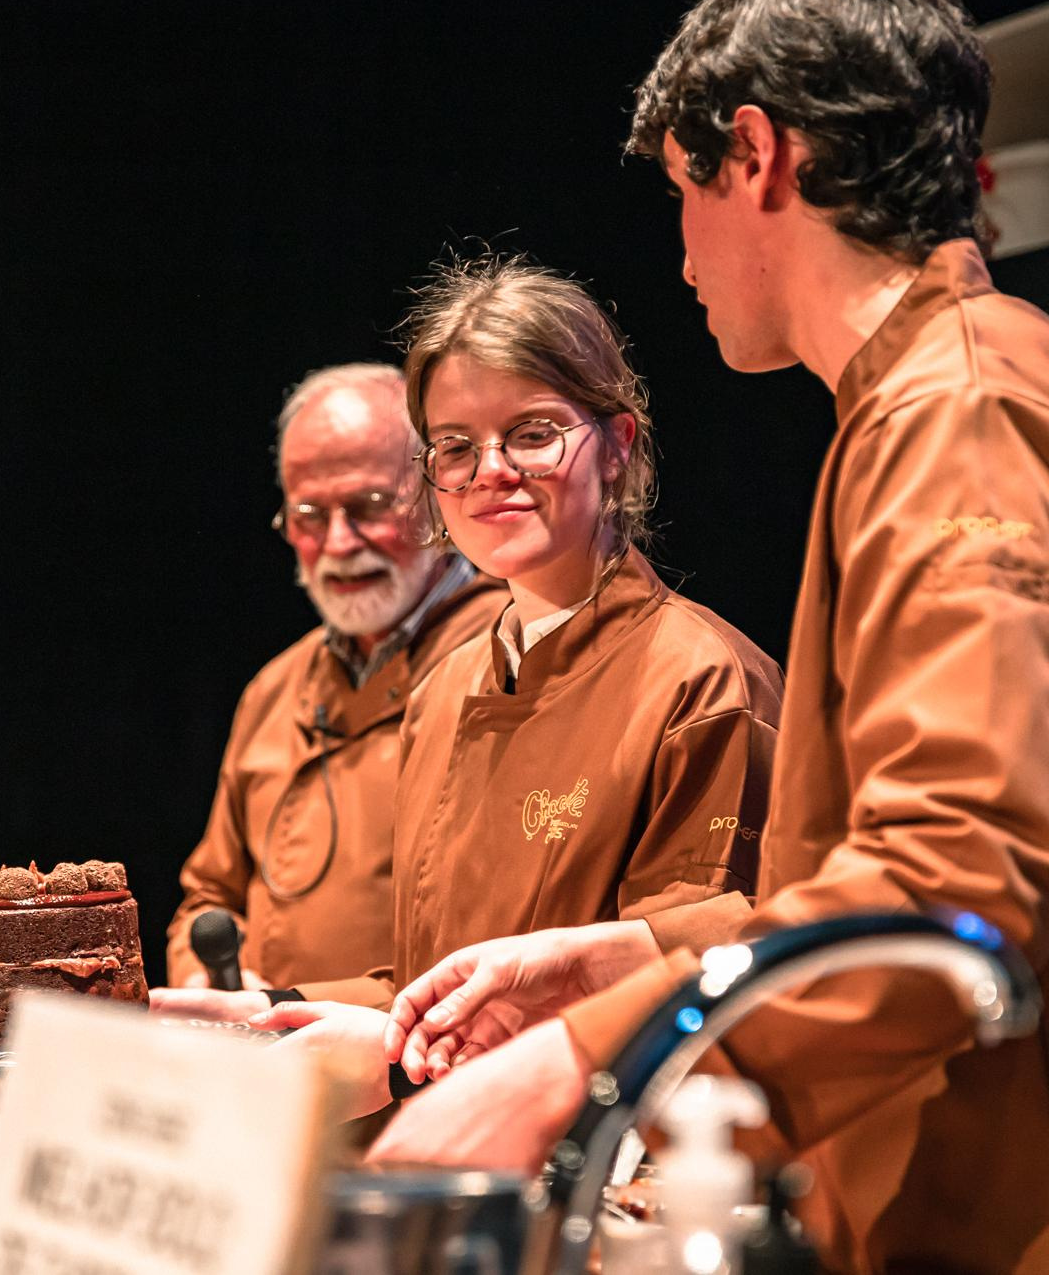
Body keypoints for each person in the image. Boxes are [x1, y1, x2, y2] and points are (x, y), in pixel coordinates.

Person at [370, 0, 1049, 1273]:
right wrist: (621, 955)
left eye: (683, 193)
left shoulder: (962, 411)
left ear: (754, 153)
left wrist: (579, 1062)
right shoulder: (932, 396)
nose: (679, 253)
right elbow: (864, 871)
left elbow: (949, 892)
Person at [167, 261, 784, 1111]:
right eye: (455, 446)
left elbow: (690, 1010)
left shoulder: (704, 680)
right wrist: (273, 1014)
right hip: (440, 1170)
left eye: (532, 433)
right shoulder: (449, 686)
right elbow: (432, 986)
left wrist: (398, 1061)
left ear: (617, 446)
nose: (490, 470)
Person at [160, 364, 506, 995]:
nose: (340, 542)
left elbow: (513, 926)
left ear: (437, 494)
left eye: (370, 506)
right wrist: (204, 978)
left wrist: (293, 1009)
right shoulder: (275, 687)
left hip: (423, 1068)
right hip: (265, 1073)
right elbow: (208, 899)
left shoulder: (511, 659)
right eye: (310, 515)